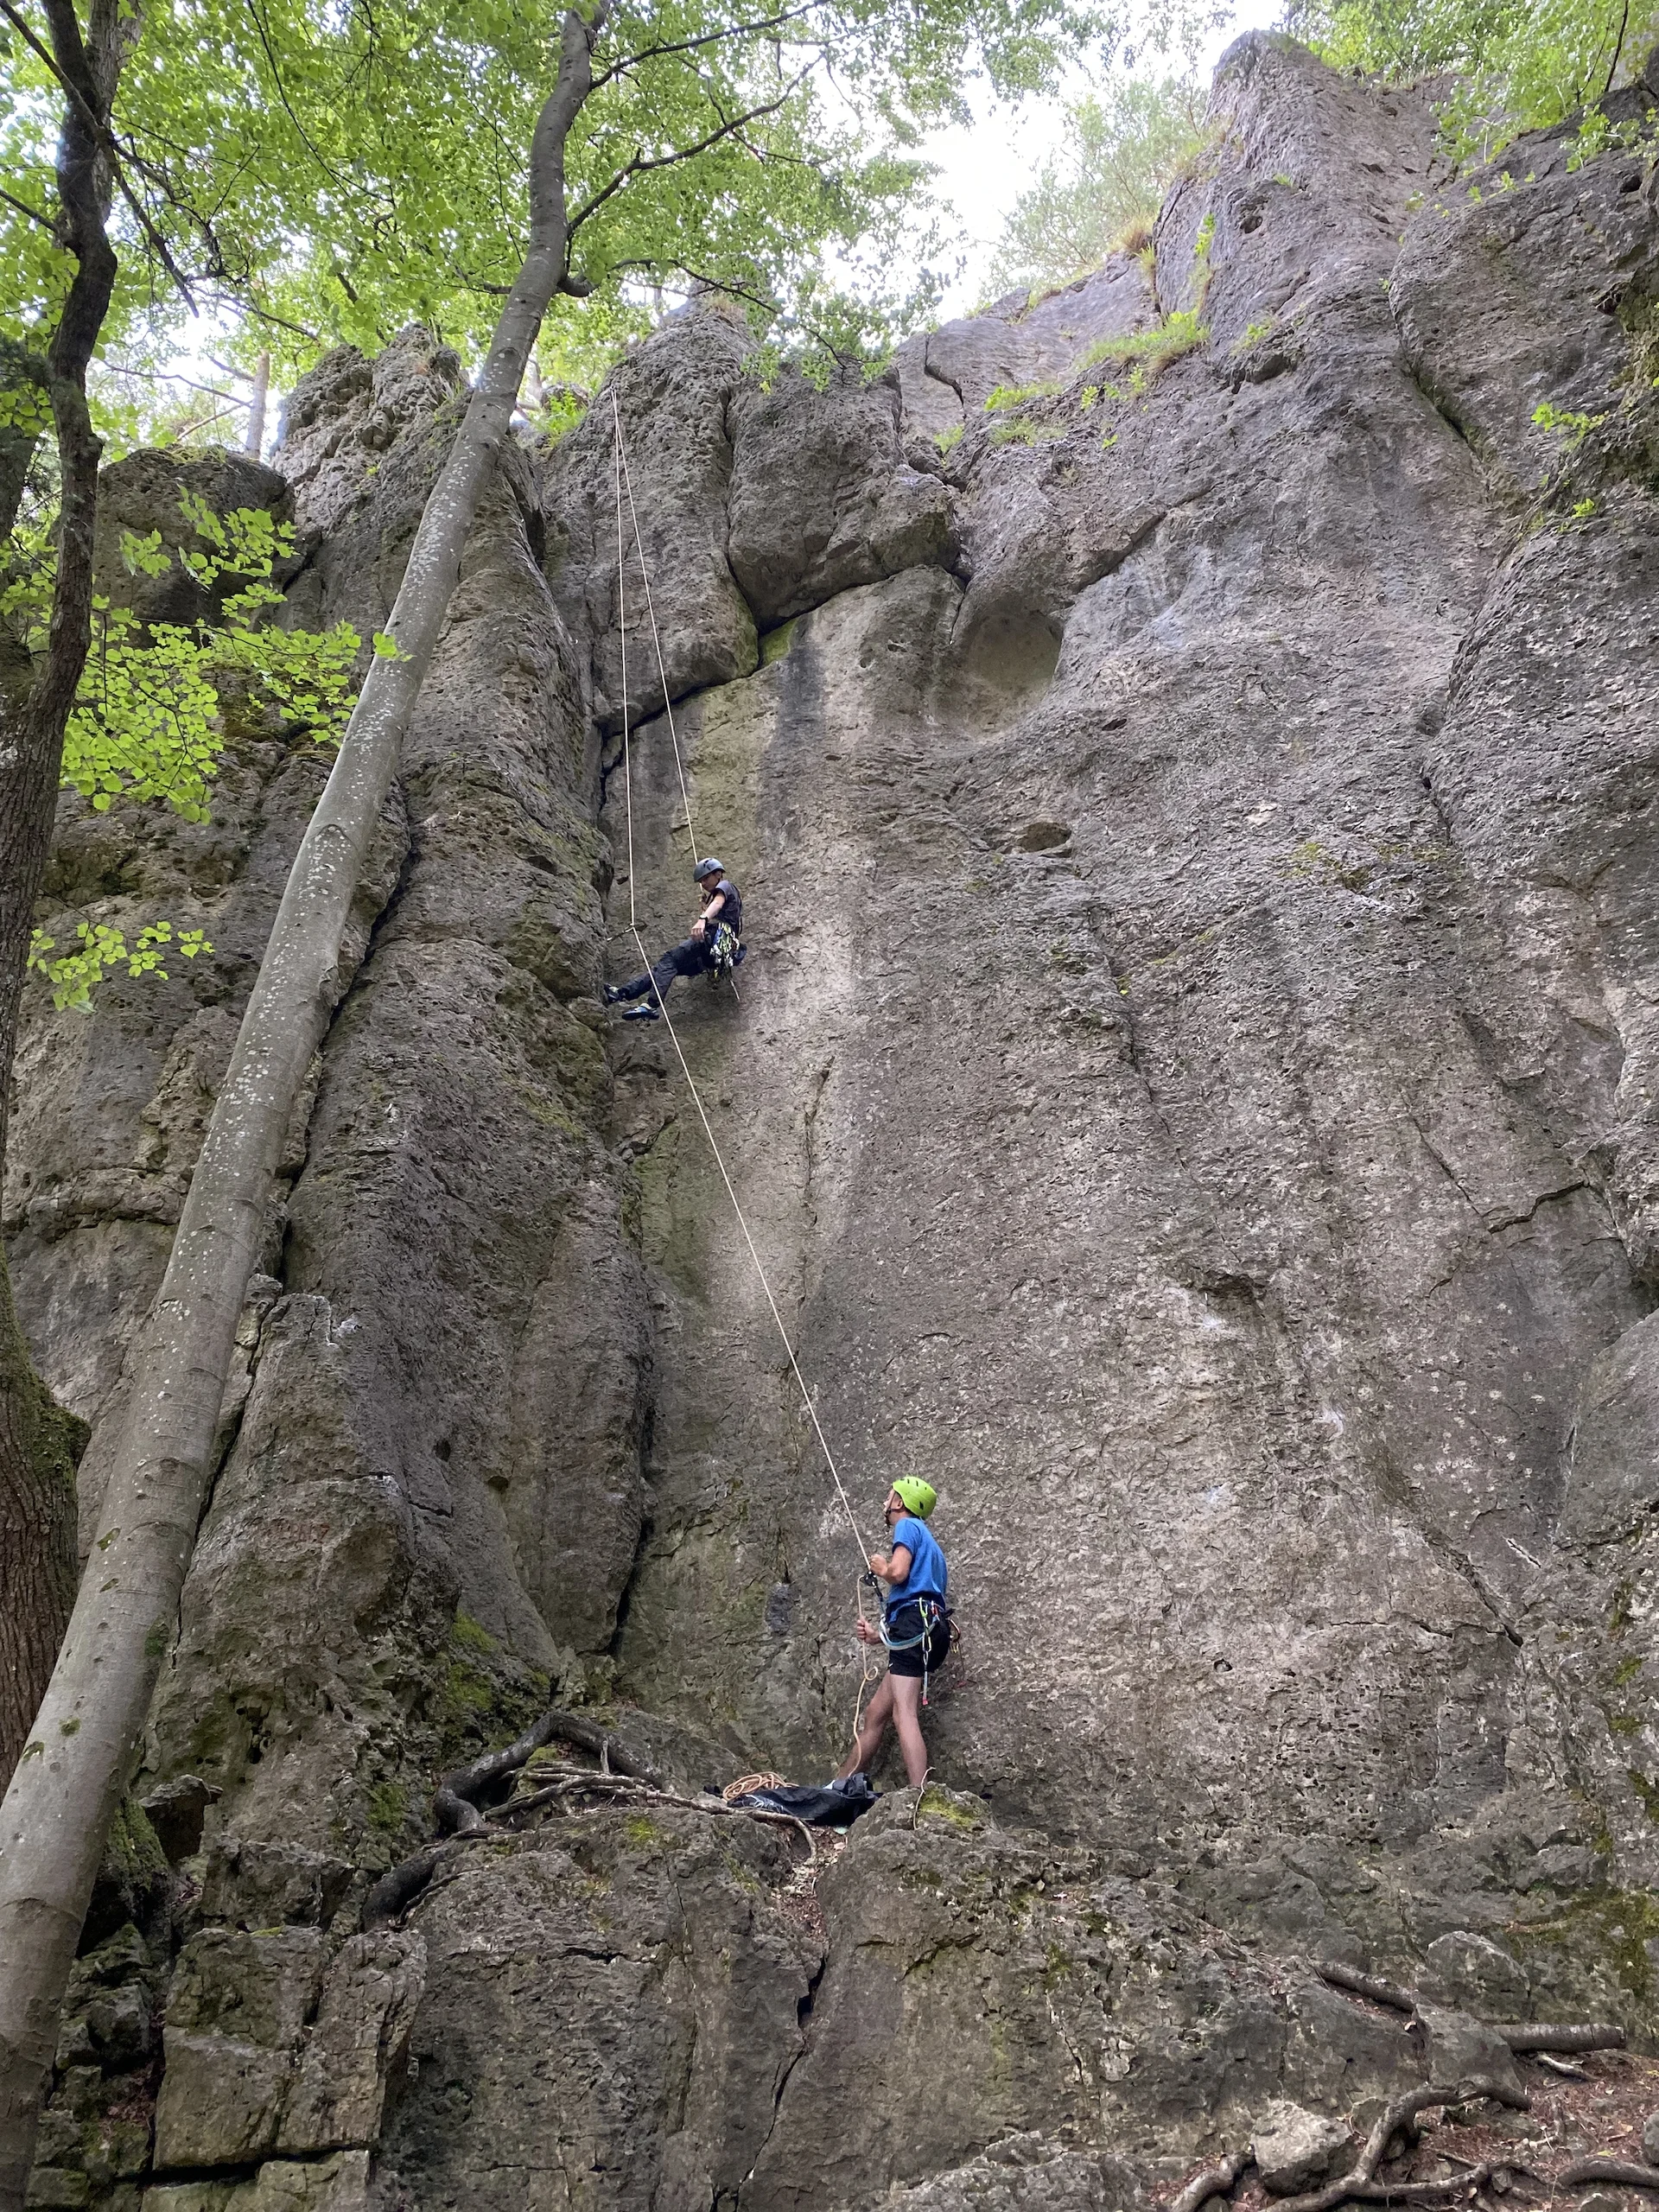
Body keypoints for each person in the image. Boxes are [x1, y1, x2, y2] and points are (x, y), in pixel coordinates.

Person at [835, 1478, 949, 1789]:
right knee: (875, 1714)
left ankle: (918, 1795)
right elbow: (920, 1595)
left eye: (889, 1497)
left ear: (899, 1503)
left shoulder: (908, 1527)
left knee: (904, 1714)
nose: (885, 1503)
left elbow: (899, 1573)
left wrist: (884, 1568)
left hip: (916, 1627)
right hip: (923, 1630)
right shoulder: (933, 1548)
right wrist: (877, 1636)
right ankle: (839, 1786)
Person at [604, 855, 743, 1022]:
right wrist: (706, 907)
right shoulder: (724, 900)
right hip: (713, 956)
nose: (704, 884)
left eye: (706, 878)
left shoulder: (725, 886)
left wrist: (703, 918)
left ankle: (651, 1005)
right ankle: (621, 993)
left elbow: (718, 903)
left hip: (714, 939)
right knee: (664, 969)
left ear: (718, 874)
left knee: (669, 960)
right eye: (701, 881)